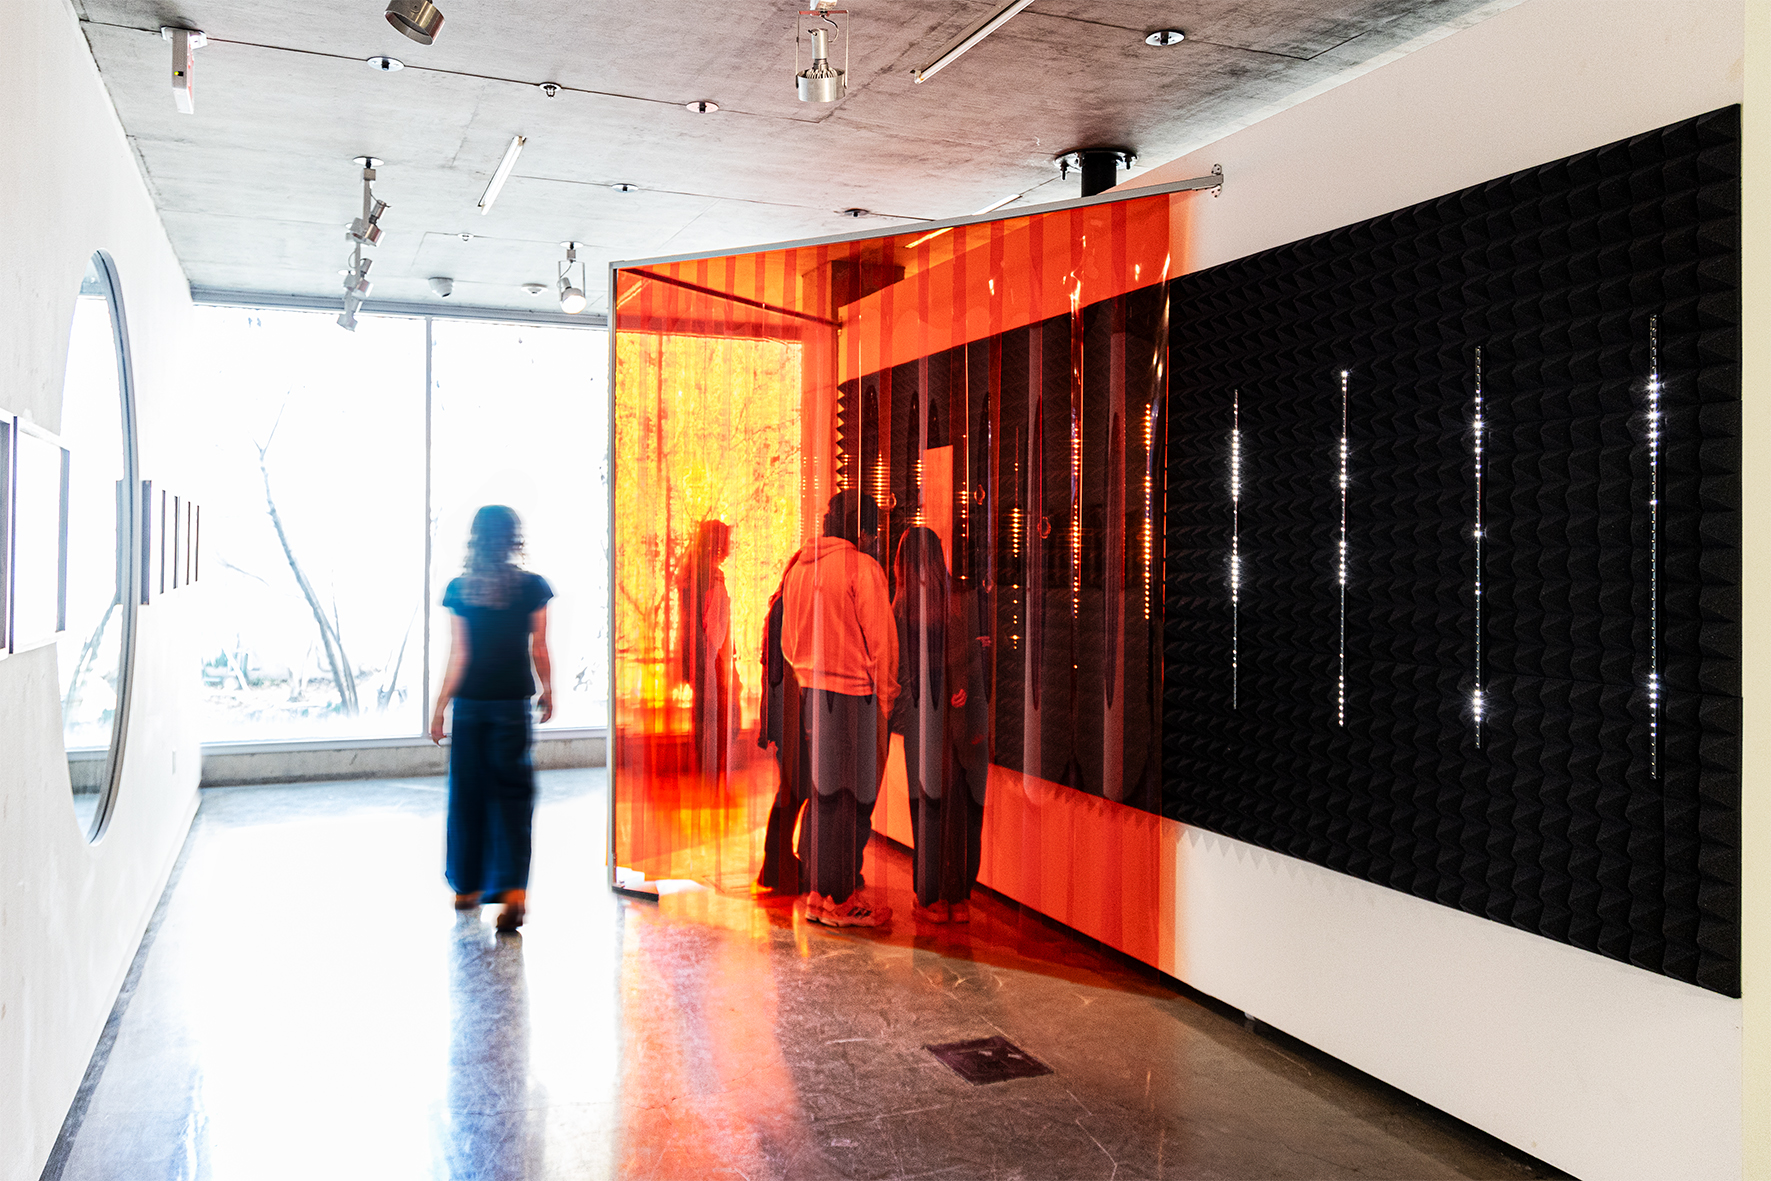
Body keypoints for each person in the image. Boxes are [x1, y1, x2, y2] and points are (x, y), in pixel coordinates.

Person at [430, 505, 554, 932]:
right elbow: (540, 646)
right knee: (513, 801)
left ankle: (466, 889)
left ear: (476, 540)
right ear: (512, 539)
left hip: (472, 708)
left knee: (468, 798)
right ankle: (513, 896)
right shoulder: (532, 587)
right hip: (511, 707)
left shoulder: (461, 589)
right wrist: (548, 689)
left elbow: (459, 654)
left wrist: (441, 704)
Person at [780, 490, 898, 927]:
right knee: (853, 799)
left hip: (812, 695)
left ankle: (817, 893)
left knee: (823, 796)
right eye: (873, 531)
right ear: (863, 531)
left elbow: (788, 644)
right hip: (854, 698)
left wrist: (810, 677)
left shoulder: (798, 569)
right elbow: (882, 643)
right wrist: (884, 699)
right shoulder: (862, 569)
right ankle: (842, 898)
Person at [889, 526, 989, 922]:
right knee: (963, 810)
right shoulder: (960, 604)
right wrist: (961, 692)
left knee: (927, 808)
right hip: (962, 721)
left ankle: (930, 898)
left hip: (923, 722)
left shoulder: (899, 611)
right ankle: (959, 897)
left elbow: (902, 676)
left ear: (902, 565)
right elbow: (974, 661)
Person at [676, 520, 733, 779]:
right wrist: (719, 655)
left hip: (697, 655)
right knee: (717, 716)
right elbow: (714, 625)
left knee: (703, 715)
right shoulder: (710, 577)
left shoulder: (691, 574)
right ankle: (712, 771)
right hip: (710, 656)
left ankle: (705, 769)